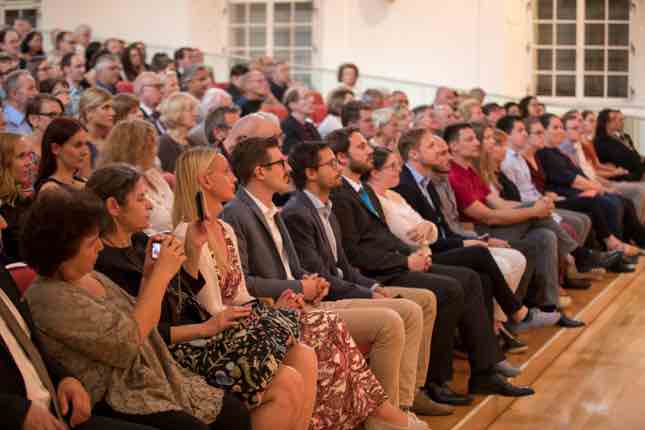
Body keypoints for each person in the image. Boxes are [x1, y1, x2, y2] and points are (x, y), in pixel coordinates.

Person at [176, 146, 428, 430]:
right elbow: (212, 307)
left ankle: (382, 414)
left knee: (333, 326)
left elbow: (242, 293)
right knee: (326, 326)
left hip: (256, 316)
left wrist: (299, 290)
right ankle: (378, 417)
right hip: (218, 334)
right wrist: (281, 301)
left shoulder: (225, 228)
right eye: (225, 172)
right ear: (206, 181)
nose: (233, 178)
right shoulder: (189, 233)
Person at [88, 163, 313, 430]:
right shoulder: (102, 263)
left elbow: (179, 300)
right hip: (171, 351)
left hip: (196, 333)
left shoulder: (141, 243)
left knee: (302, 353)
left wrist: (193, 249)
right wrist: (207, 327)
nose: (149, 204)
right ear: (114, 207)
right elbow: (144, 332)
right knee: (287, 380)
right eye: (140, 198)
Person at [326, 127, 535, 402]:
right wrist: (405, 259)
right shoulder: (341, 195)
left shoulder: (363, 189)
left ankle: (484, 372)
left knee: (476, 279)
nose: (369, 150)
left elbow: (387, 236)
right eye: (362, 146)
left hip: (398, 261)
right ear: (341, 158)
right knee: (450, 288)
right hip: (378, 273)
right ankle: (436, 381)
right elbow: (353, 252)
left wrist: (411, 254)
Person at [21, 189, 252, 430]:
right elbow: (127, 342)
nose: (99, 247)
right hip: (118, 394)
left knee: (234, 412)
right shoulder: (48, 298)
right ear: (62, 254)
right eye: (91, 243)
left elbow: (138, 317)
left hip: (152, 373)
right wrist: (161, 276)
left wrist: (149, 275)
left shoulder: (90, 275)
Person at [282, 142, 454, 416]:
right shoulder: (297, 213)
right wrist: (367, 293)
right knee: (405, 311)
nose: (339, 168)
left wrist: (372, 286)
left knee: (425, 299)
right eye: (331, 164)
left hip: (346, 285)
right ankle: (391, 409)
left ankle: (410, 394)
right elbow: (322, 276)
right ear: (311, 173)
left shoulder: (325, 205)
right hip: (326, 297)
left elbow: (344, 267)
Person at [539, 113, 645, 255]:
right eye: (556, 127)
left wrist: (603, 186)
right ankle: (614, 249)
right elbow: (572, 180)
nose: (561, 131)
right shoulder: (546, 154)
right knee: (611, 203)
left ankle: (630, 241)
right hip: (566, 193)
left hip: (575, 189)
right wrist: (602, 188)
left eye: (561, 127)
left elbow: (582, 173)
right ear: (544, 131)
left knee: (622, 201)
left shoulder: (557, 152)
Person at [100, 119, 173, 235]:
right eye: (151, 146)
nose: (156, 151)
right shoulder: (120, 185)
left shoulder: (153, 175)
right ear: (136, 150)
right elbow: (141, 235)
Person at [0, 132, 33, 263]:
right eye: (21, 156)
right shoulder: (4, 208)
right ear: (3, 163)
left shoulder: (22, 201)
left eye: (29, 155)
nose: (29, 163)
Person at [34, 117, 89, 194]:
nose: (85, 152)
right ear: (55, 148)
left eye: (85, 144)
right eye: (77, 145)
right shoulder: (50, 189)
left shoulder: (85, 182)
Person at [594, 109, 645, 181]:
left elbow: (633, 156)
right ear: (606, 123)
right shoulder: (600, 142)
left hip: (635, 173)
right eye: (614, 119)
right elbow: (614, 164)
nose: (617, 121)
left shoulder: (615, 138)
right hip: (625, 178)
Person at [158, 92, 199, 172]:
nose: (195, 114)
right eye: (190, 110)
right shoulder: (163, 143)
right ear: (176, 113)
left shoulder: (193, 142)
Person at [79, 87, 114, 171]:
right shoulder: (80, 144)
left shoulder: (114, 140)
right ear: (89, 112)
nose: (113, 112)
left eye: (112, 108)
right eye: (106, 108)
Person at [281, 87, 322, 155]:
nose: (312, 100)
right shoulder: (286, 127)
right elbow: (294, 154)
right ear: (292, 104)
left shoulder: (310, 126)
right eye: (305, 98)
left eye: (310, 96)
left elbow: (322, 148)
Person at [3, 70, 38, 134]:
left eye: (35, 88)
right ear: (14, 94)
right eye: (31, 88)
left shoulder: (32, 117)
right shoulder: (3, 121)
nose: (36, 93)